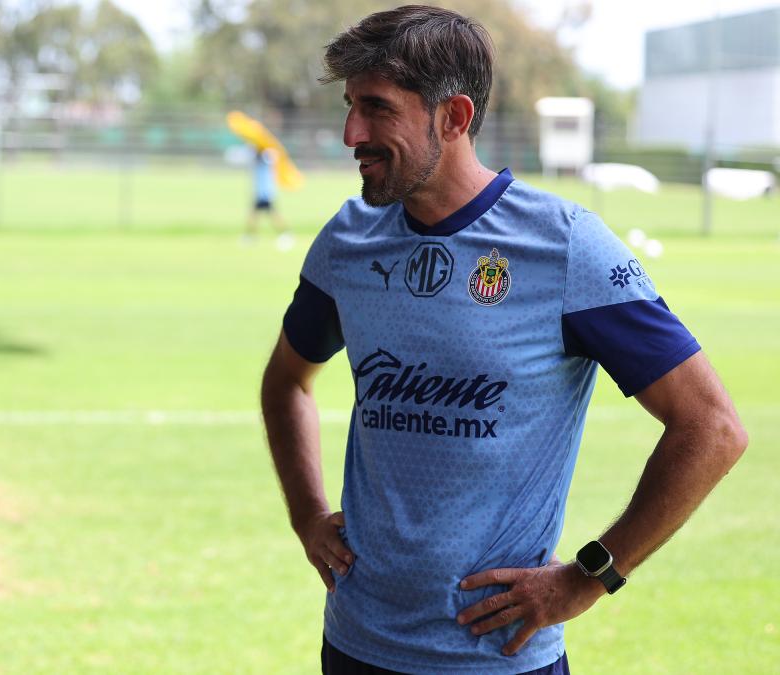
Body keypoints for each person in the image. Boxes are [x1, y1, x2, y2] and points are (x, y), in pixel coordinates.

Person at [260, 6, 747, 674]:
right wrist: (307, 514)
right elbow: (286, 380)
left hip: (500, 660)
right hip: (355, 646)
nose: (352, 133)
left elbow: (712, 427)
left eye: (376, 108)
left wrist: (587, 575)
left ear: (454, 118)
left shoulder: (566, 247)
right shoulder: (349, 240)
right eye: (350, 106)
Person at [244, 147, 294, 250]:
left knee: (272, 215)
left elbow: (270, 157)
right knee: (255, 215)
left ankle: (285, 233)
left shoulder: (267, 157)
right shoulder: (258, 159)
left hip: (266, 192)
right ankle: (251, 235)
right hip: (260, 192)